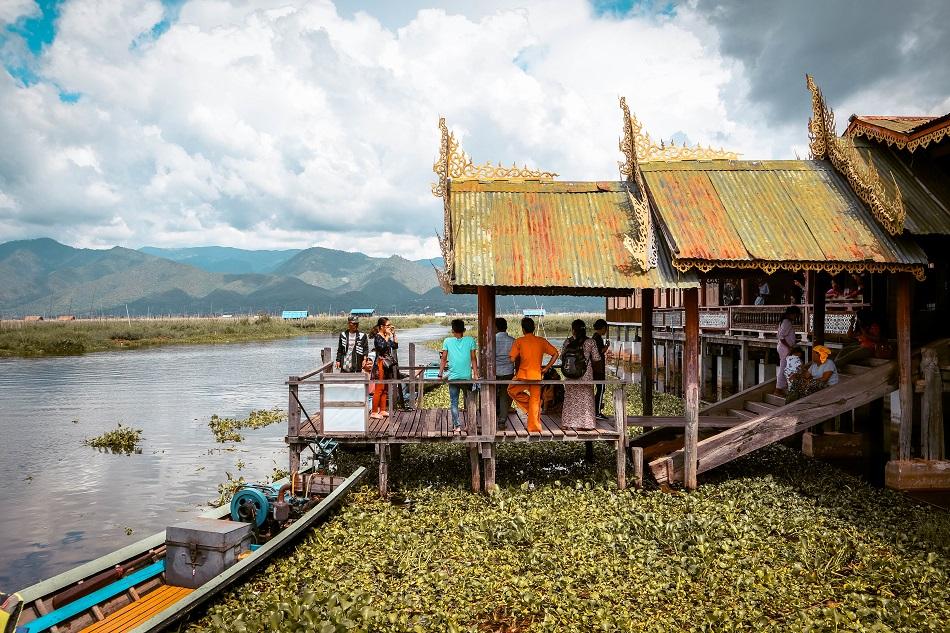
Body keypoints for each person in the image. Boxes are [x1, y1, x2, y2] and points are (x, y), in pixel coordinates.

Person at [508, 317, 559, 433]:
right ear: (534, 328)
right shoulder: (541, 341)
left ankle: (531, 407)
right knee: (535, 401)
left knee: (511, 390)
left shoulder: (519, 341)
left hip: (522, 376)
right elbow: (556, 353)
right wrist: (546, 368)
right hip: (536, 376)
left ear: (523, 329)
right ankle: (534, 427)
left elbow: (511, 359)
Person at [439, 319, 478, 435]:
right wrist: (475, 374)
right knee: (470, 401)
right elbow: (473, 359)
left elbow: (443, 358)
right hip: (467, 377)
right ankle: (470, 424)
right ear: (464, 330)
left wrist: (440, 373)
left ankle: (457, 426)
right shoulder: (470, 340)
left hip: (453, 378)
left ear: (452, 330)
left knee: (454, 402)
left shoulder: (447, 341)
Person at [561, 319, 602, 430]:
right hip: (585, 375)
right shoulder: (590, 342)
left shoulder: (567, 342)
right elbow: (596, 359)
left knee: (570, 399)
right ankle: (585, 425)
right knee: (585, 399)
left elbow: (562, 357)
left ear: (573, 330)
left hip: (570, 375)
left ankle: (567, 423)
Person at [370, 317, 398, 420]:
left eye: (390, 326)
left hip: (387, 365)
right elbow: (381, 348)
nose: (389, 327)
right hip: (380, 364)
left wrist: (393, 334)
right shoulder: (378, 337)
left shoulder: (386, 336)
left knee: (385, 388)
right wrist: (387, 337)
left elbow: (395, 346)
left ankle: (382, 409)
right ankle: (374, 412)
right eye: (387, 326)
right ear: (381, 326)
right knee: (379, 388)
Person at [774, 306, 800, 396]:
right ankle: (778, 388)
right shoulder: (787, 322)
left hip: (783, 347)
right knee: (783, 368)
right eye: (795, 315)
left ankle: (782, 387)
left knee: (785, 367)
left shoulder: (784, 321)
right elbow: (781, 337)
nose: (796, 317)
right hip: (785, 348)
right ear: (792, 314)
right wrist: (789, 346)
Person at [494, 317, 516, 427]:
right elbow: (517, 358)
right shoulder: (513, 341)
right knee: (504, 396)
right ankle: (502, 420)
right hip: (508, 372)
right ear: (506, 327)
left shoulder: (492, 340)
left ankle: (489, 418)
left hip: (494, 372)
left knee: (491, 394)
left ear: (496, 327)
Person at [592, 318, 610, 420]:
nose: (606, 331)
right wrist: (607, 346)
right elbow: (600, 352)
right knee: (601, 389)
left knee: (599, 389)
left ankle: (595, 410)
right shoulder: (597, 338)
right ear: (603, 328)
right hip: (599, 369)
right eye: (605, 329)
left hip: (595, 368)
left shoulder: (594, 337)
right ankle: (597, 412)